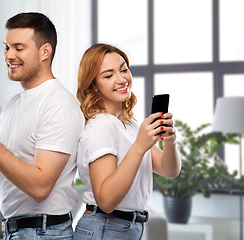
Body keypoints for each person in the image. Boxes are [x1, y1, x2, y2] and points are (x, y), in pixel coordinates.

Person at [0, 12, 84, 239]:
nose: (8, 55)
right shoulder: (13, 105)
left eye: (18, 48)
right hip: (16, 231)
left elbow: (40, 188)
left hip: (45, 233)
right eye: (6, 47)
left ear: (45, 52)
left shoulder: (59, 105)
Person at [73, 43, 181, 240]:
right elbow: (105, 200)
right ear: (94, 86)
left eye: (124, 69)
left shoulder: (129, 126)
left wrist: (170, 141)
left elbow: (169, 170)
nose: (122, 79)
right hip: (104, 227)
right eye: (108, 75)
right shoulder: (100, 127)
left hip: (123, 228)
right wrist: (139, 147)